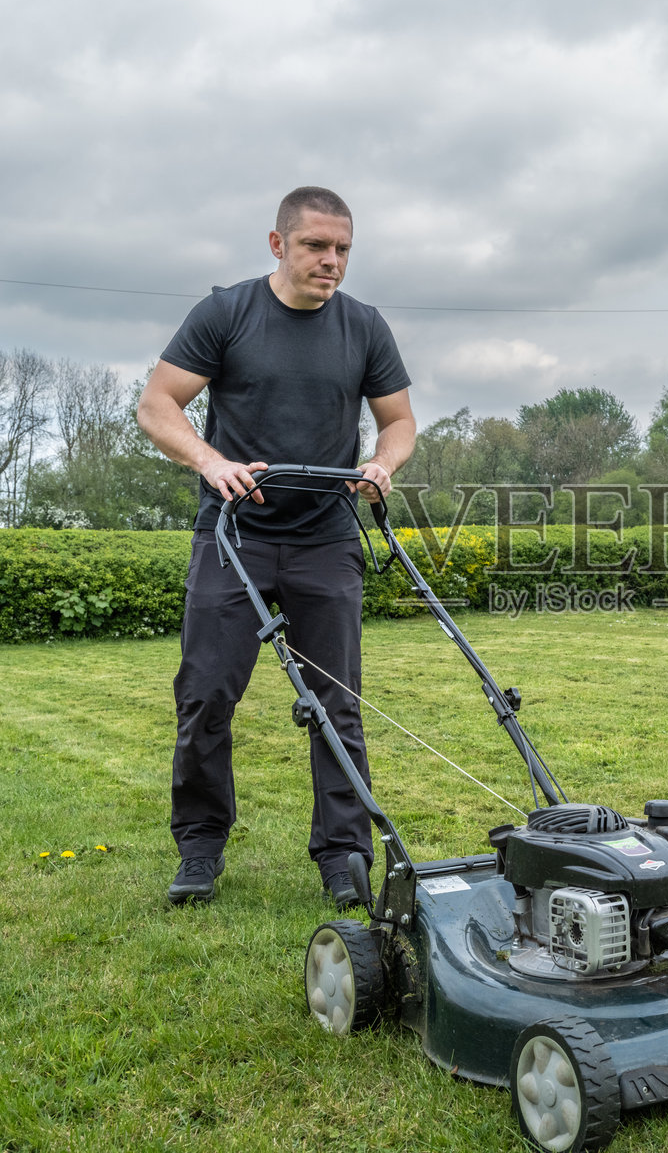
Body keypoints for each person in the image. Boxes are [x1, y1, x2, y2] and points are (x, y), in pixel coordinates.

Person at [136, 186, 416, 907]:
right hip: (234, 536)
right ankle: (200, 849)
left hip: (326, 538)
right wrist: (211, 463)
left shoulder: (364, 327)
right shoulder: (227, 313)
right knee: (205, 694)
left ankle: (344, 858)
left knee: (336, 705)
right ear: (278, 244)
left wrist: (382, 463)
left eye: (343, 249)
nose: (331, 261)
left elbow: (398, 421)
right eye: (316, 246)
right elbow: (157, 405)